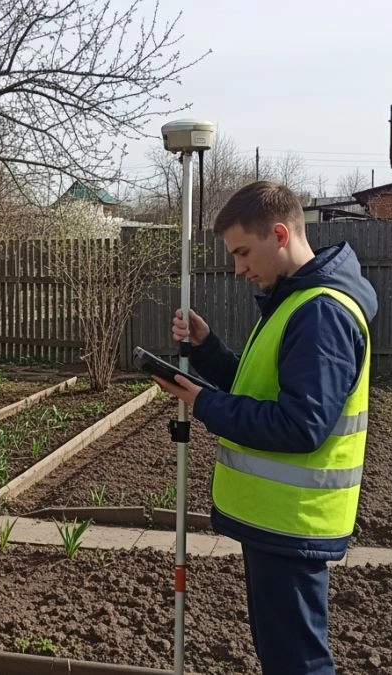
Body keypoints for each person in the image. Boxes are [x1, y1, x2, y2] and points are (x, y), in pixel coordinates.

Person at [153, 180, 377, 675]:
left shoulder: (320, 312)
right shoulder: (293, 301)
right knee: (284, 654)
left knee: (297, 661)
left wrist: (205, 404)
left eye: (242, 252)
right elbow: (261, 393)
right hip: (279, 522)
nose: (238, 268)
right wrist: (209, 350)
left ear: (279, 234)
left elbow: (301, 426)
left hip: (295, 521)